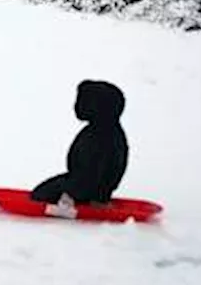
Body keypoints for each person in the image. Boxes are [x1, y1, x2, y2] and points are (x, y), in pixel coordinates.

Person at [30, 79, 129, 212]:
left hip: (86, 188)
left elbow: (95, 171)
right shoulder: (104, 130)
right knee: (42, 190)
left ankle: (89, 202)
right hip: (84, 182)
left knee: (40, 195)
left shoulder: (100, 136)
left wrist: (74, 194)